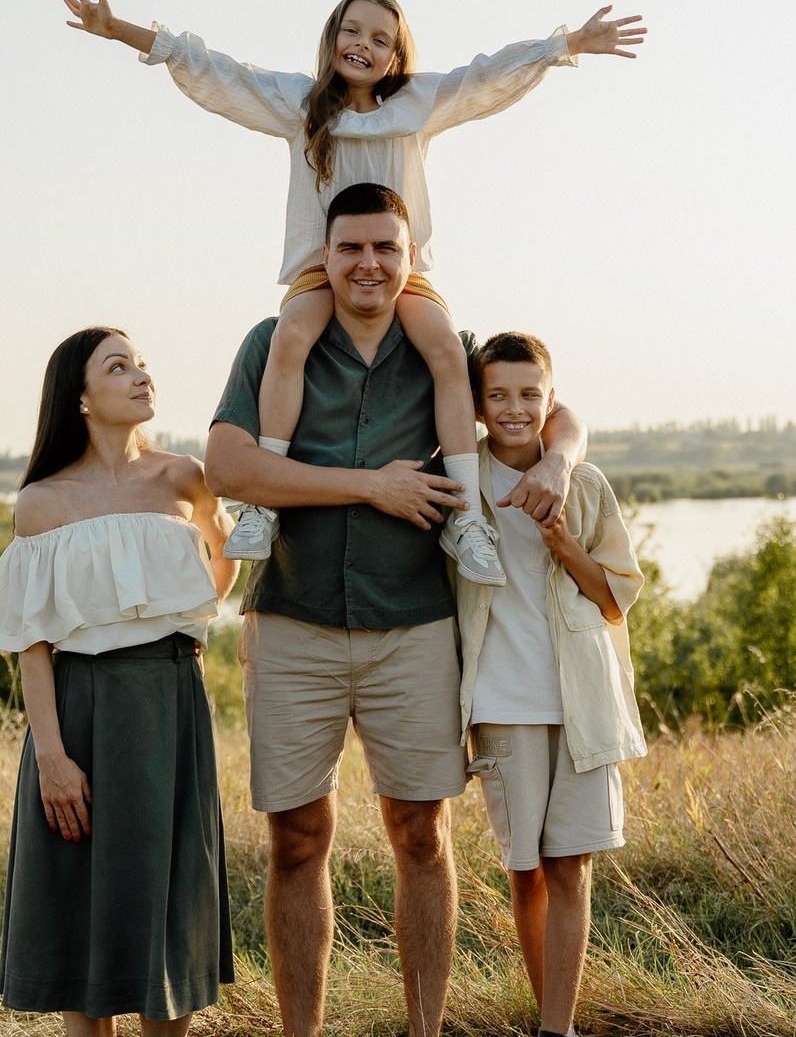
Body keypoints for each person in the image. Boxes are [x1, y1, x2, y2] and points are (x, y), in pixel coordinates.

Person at [60, 0, 643, 583]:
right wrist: (118, 28)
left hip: (399, 271)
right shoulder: (299, 103)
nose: (363, 44)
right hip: (322, 267)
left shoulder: (418, 104)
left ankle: (466, 516)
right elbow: (216, 71)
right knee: (290, 335)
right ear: (333, 37)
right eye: (352, 30)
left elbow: (484, 78)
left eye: (381, 38)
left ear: (397, 54)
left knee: (444, 345)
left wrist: (566, 43)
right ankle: (261, 505)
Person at [203, 184, 587, 1037]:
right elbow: (228, 465)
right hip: (293, 619)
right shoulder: (274, 342)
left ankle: (425, 1032)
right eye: (351, 248)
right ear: (325, 257)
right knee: (297, 838)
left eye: (386, 247)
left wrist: (559, 462)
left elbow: (552, 407)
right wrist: (369, 486)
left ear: (411, 257)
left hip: (415, 626)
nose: (369, 263)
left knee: (421, 833)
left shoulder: (443, 347)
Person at [0, 327, 238, 1037]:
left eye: (143, 363)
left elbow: (221, 570)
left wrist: (185, 623)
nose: (142, 375)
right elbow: (31, 644)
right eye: (120, 367)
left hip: (173, 702)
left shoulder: (187, 477)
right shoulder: (43, 503)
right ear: (80, 399)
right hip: (80, 709)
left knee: (167, 906)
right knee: (79, 906)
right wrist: (51, 757)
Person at [457, 331, 648, 1037]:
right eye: (499, 395)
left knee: (572, 867)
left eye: (529, 394)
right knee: (527, 870)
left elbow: (613, 600)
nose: (515, 408)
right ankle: (547, 1012)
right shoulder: (462, 482)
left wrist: (564, 541)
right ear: (478, 404)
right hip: (502, 706)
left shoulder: (586, 484)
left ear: (551, 397)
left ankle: (555, 1030)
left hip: (582, 703)